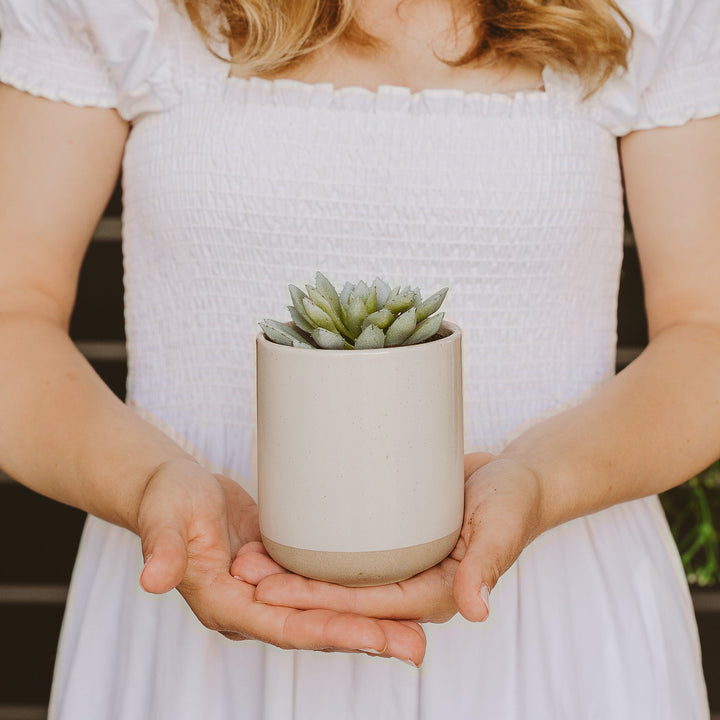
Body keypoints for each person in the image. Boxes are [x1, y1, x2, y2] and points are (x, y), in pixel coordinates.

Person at [0, 0, 718, 717]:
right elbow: (14, 316)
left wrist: (540, 482)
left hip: (562, 616)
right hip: (198, 583)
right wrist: (148, 481)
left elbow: (704, 330)